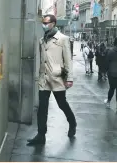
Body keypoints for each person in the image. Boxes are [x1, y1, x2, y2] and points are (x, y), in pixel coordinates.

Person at [28, 14, 77, 145]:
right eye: (43, 22)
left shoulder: (63, 39)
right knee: (42, 108)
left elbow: (68, 60)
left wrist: (70, 78)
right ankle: (41, 135)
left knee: (62, 104)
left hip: (57, 78)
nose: (44, 25)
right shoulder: (42, 40)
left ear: (54, 23)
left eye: (47, 23)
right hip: (44, 78)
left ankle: (72, 123)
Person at [104, 37, 117, 110]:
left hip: (111, 73)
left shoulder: (111, 51)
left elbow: (106, 62)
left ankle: (108, 102)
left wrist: (105, 71)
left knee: (112, 88)